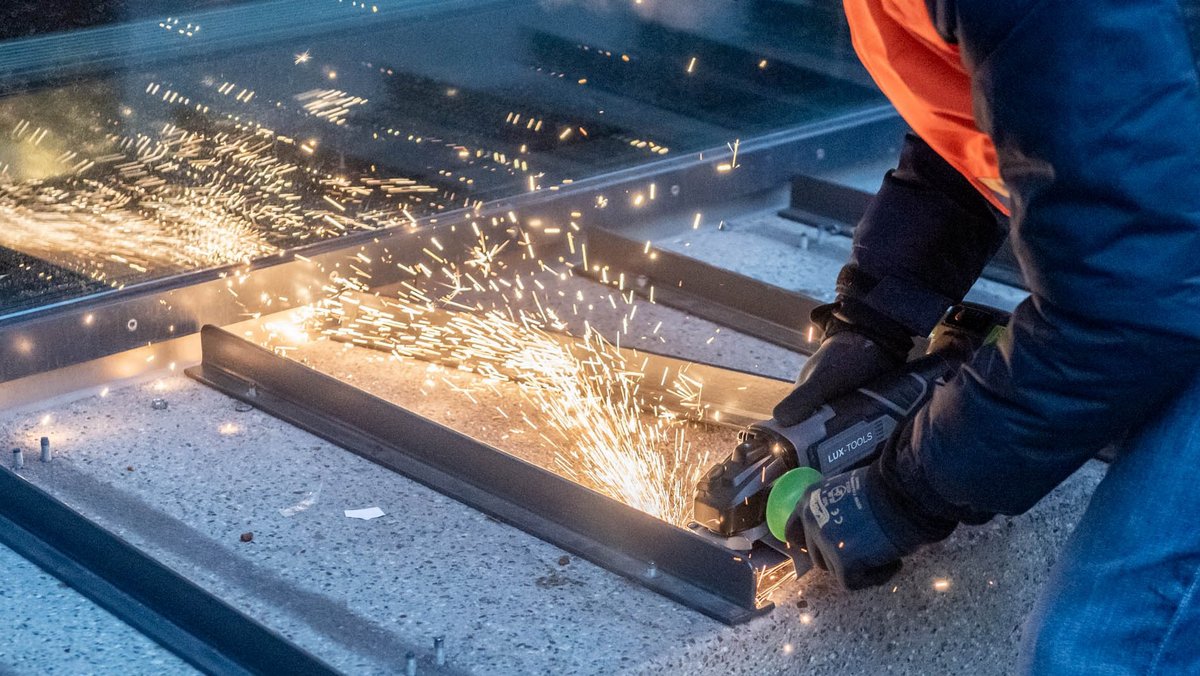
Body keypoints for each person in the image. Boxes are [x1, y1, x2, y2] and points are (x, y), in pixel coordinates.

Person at [771, 1, 1200, 672]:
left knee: (1102, 650)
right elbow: (1022, 103)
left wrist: (910, 490)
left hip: (1159, 286)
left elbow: (1130, 304)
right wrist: (879, 314)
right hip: (1166, 264)